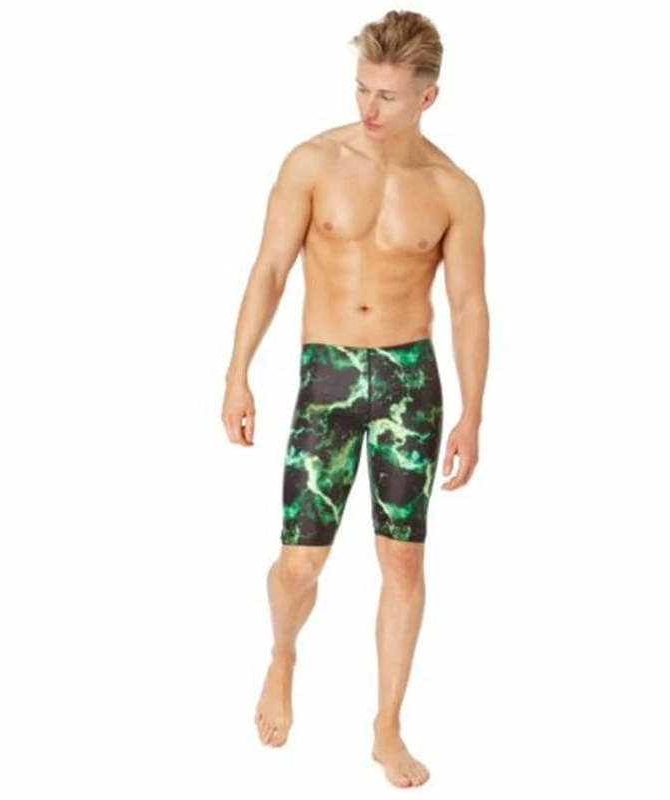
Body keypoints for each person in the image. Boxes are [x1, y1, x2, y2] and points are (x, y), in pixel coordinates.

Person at [220, 9, 489, 789]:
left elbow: (468, 305)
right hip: (328, 377)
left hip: (409, 380)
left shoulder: (454, 190)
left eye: (389, 96)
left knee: (402, 561)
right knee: (298, 565)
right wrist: (238, 372)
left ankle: (386, 727)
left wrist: (472, 412)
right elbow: (270, 270)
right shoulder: (312, 162)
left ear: (428, 97)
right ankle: (282, 654)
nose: (370, 107)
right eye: (363, 89)